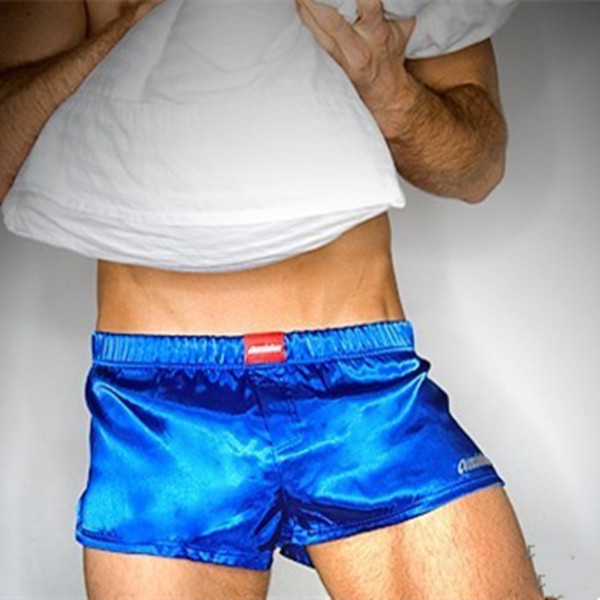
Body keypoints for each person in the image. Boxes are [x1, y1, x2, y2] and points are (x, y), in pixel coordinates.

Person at [0, 0, 555, 598]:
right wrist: (130, 32)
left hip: (361, 390)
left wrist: (390, 91)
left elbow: (478, 169)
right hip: (161, 414)